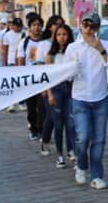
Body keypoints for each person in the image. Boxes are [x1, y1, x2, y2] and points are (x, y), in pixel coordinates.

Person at [64, 11, 108, 188]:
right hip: (80, 98)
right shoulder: (73, 48)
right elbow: (65, 76)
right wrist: (72, 70)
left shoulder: (105, 45)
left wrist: (101, 50)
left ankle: (96, 176)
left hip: (100, 98)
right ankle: (81, 165)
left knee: (99, 140)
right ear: (80, 25)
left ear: (97, 28)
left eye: (93, 26)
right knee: (83, 137)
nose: (88, 29)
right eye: (86, 25)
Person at [45, 23, 76, 168]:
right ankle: (59, 155)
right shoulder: (51, 55)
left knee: (71, 123)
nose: (62, 38)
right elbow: (48, 77)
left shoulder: (74, 52)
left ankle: (71, 150)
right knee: (58, 125)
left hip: (70, 89)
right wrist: (50, 94)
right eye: (59, 34)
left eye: (64, 34)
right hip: (56, 89)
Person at [38, 15, 65, 155]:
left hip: (66, 87)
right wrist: (44, 87)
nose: (58, 28)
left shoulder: (67, 45)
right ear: (50, 27)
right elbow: (41, 67)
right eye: (56, 25)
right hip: (50, 86)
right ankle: (45, 139)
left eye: (61, 25)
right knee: (51, 117)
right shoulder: (44, 44)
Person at [17, 14, 44, 140]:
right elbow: (21, 61)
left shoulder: (46, 41)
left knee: (42, 106)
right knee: (32, 107)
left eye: (39, 25)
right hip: (30, 80)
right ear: (29, 27)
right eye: (34, 25)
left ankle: (42, 129)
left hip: (44, 79)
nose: (37, 28)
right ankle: (33, 129)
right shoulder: (24, 43)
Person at [1, 18, 24, 112]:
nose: (18, 28)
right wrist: (4, 62)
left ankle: (21, 102)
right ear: (12, 26)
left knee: (21, 83)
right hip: (11, 61)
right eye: (16, 26)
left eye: (20, 26)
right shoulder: (7, 35)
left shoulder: (24, 34)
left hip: (21, 61)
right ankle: (11, 103)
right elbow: (4, 49)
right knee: (11, 83)